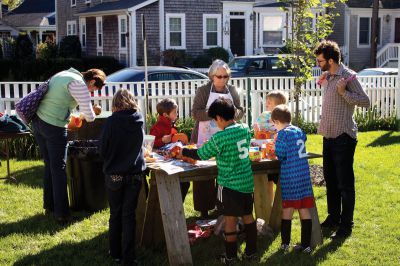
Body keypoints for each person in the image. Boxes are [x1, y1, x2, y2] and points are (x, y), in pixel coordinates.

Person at [181, 98, 257, 264]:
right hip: (246, 183)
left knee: (230, 220)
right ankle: (251, 253)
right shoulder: (244, 128)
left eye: (214, 120)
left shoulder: (219, 137)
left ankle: (230, 257)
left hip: (229, 185)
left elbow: (201, 155)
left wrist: (183, 151)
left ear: (220, 118)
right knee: (248, 217)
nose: (215, 123)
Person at [32, 68, 106, 224]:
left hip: (38, 121)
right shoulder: (80, 85)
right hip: (53, 126)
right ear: (91, 82)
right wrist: (94, 110)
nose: (92, 92)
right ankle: (63, 214)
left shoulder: (64, 74)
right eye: (94, 89)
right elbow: (90, 117)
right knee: (59, 169)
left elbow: (57, 101)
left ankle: (50, 206)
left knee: (50, 165)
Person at [314, 40, 370, 239]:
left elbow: (365, 101)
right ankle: (333, 218)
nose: (318, 64)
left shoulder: (348, 76)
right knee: (331, 180)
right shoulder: (328, 75)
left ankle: (346, 226)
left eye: (320, 61)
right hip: (328, 136)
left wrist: (344, 92)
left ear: (330, 60)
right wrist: (324, 80)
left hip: (343, 137)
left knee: (345, 184)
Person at [191, 59, 245, 218]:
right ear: (211, 76)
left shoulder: (233, 90)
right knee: (203, 173)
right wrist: (217, 112)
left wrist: (232, 112)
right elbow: (195, 113)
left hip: (227, 136)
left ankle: (223, 206)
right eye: (219, 76)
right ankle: (204, 210)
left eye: (225, 76)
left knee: (225, 169)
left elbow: (241, 111)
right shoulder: (203, 91)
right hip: (204, 135)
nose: (222, 79)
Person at [99, 88, 145, 266]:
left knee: (115, 214)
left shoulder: (111, 122)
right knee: (129, 216)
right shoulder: (139, 120)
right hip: (134, 173)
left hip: (114, 175)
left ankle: (115, 253)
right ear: (132, 101)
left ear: (115, 104)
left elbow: (102, 149)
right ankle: (129, 257)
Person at [271, 105, 314, 253]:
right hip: (303, 176)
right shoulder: (298, 130)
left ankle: (285, 244)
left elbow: (281, 154)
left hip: (290, 177)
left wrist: (275, 143)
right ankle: (306, 245)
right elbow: (303, 140)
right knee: (304, 208)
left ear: (276, 122)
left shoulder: (282, 134)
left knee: (287, 209)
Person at [149, 98, 190, 200]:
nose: (177, 114)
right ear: (165, 115)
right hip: (162, 160)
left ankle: (178, 204)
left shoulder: (171, 125)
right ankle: (173, 203)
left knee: (184, 182)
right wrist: (162, 140)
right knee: (177, 183)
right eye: (175, 112)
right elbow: (151, 143)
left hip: (173, 159)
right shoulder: (157, 127)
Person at [254, 90, 287, 207]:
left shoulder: (284, 117)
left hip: (279, 153)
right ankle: (269, 204)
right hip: (266, 151)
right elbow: (257, 132)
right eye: (266, 102)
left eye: (269, 102)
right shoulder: (264, 115)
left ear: (278, 105)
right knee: (267, 180)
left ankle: (283, 204)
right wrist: (257, 130)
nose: (266, 104)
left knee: (279, 180)